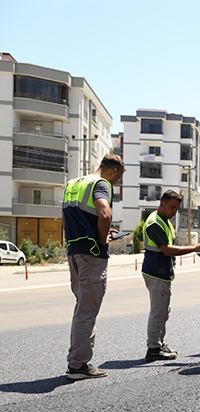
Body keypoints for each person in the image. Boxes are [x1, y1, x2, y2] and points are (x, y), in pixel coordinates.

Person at [62, 154, 126, 380]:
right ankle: (78, 365)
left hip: (75, 251)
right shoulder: (101, 184)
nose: (116, 183)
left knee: (82, 308)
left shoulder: (73, 184)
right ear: (114, 171)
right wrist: (102, 240)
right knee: (87, 311)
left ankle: (77, 360)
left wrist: (97, 233)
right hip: (92, 254)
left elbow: (67, 218)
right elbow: (104, 213)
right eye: (118, 179)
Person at [142, 190, 200, 361]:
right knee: (158, 312)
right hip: (156, 273)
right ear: (162, 204)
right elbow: (167, 250)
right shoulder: (155, 223)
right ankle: (153, 348)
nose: (174, 212)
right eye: (172, 207)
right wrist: (194, 248)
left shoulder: (164, 220)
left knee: (163, 311)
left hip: (162, 273)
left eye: (177, 209)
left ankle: (159, 344)